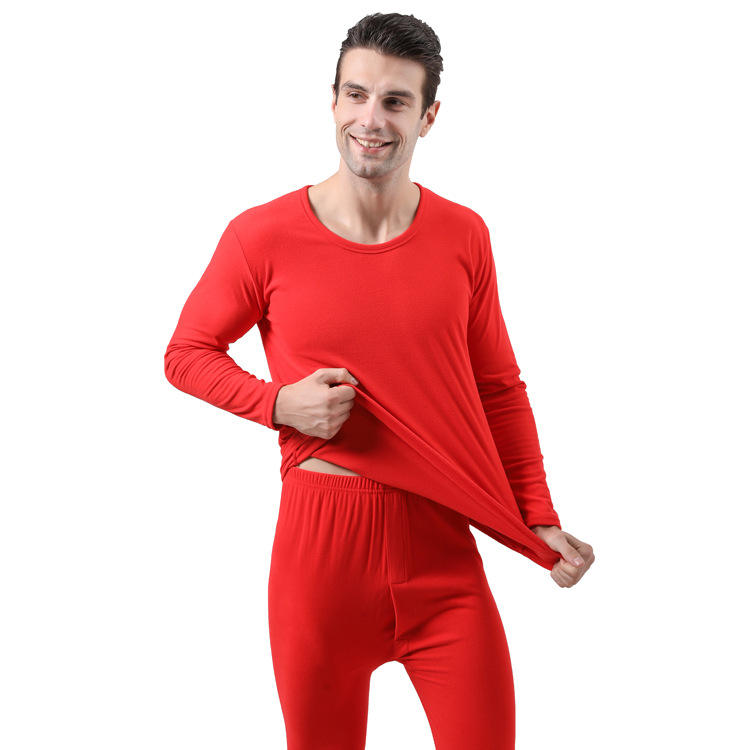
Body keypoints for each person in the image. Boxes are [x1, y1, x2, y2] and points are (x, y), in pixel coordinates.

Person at [164, 12, 594, 749]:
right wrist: (276, 403)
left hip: (442, 551)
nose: (371, 119)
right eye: (356, 95)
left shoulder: (464, 234)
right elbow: (187, 352)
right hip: (320, 557)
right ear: (332, 101)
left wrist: (536, 510)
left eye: (395, 101)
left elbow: (498, 387)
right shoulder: (260, 236)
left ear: (428, 116)